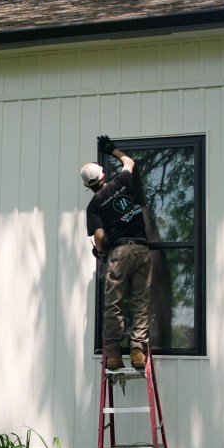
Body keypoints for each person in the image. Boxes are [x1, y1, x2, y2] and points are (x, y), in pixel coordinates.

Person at [82, 135, 152, 371]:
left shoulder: (94, 206)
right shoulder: (121, 182)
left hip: (119, 251)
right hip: (142, 247)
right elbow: (130, 162)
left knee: (114, 302)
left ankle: (113, 354)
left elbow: (100, 236)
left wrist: (100, 253)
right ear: (103, 176)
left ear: (87, 186)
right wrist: (113, 150)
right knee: (140, 300)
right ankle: (137, 350)